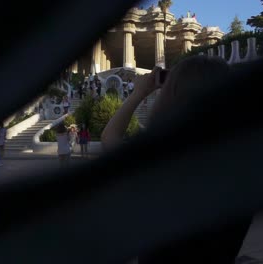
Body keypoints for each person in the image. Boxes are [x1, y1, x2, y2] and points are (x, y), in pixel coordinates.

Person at [101, 56, 252, 264]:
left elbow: (110, 138)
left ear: (172, 99)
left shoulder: (162, 165)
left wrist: (139, 93)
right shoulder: (243, 164)